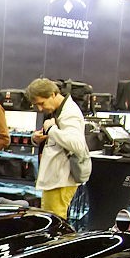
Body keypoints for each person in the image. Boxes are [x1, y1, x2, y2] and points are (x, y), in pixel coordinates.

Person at [26, 78, 88, 218]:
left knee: (55, 221)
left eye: (42, 103)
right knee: (51, 218)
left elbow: (78, 145)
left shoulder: (69, 113)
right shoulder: (59, 110)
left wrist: (51, 129)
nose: (40, 109)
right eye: (36, 105)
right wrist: (37, 138)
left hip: (61, 180)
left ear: (53, 94)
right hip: (56, 179)